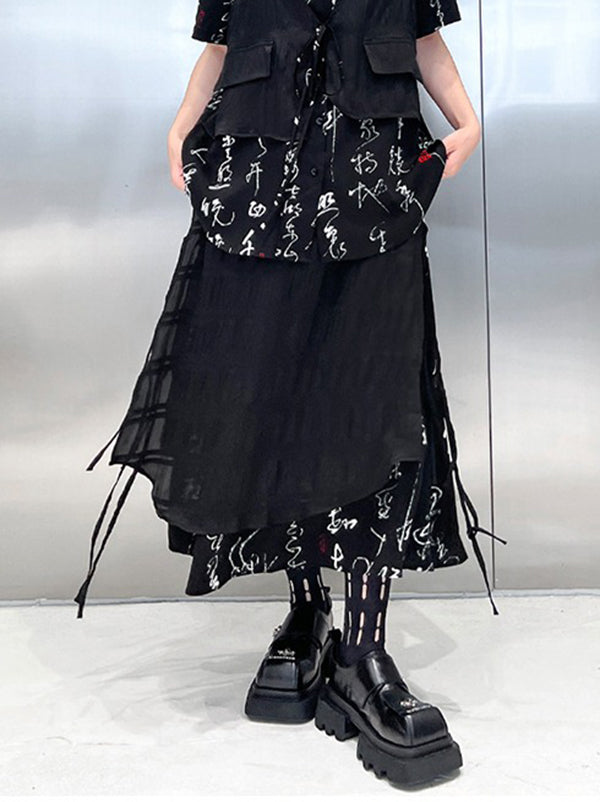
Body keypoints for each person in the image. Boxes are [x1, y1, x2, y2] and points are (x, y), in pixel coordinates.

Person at [74, 0, 507, 787]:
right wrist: (180, 126)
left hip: (373, 191)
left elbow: (421, 35)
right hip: (257, 192)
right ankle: (308, 611)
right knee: (267, 404)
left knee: (373, 403)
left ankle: (362, 653)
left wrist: (467, 121)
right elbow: (222, 42)